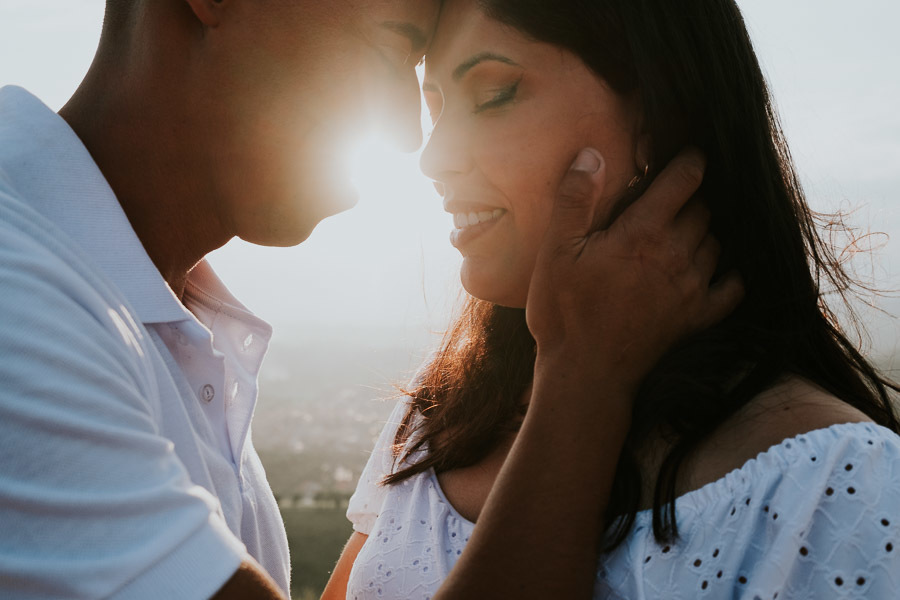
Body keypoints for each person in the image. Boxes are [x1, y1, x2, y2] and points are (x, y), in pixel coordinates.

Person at [0, 1, 738, 599]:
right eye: (393, 48)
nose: (410, 135)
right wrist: (583, 382)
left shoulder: (148, 310)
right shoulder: (19, 296)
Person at [324, 0, 900, 598]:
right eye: (436, 107)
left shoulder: (840, 486)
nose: (432, 156)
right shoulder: (438, 416)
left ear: (657, 114)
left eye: (493, 93)